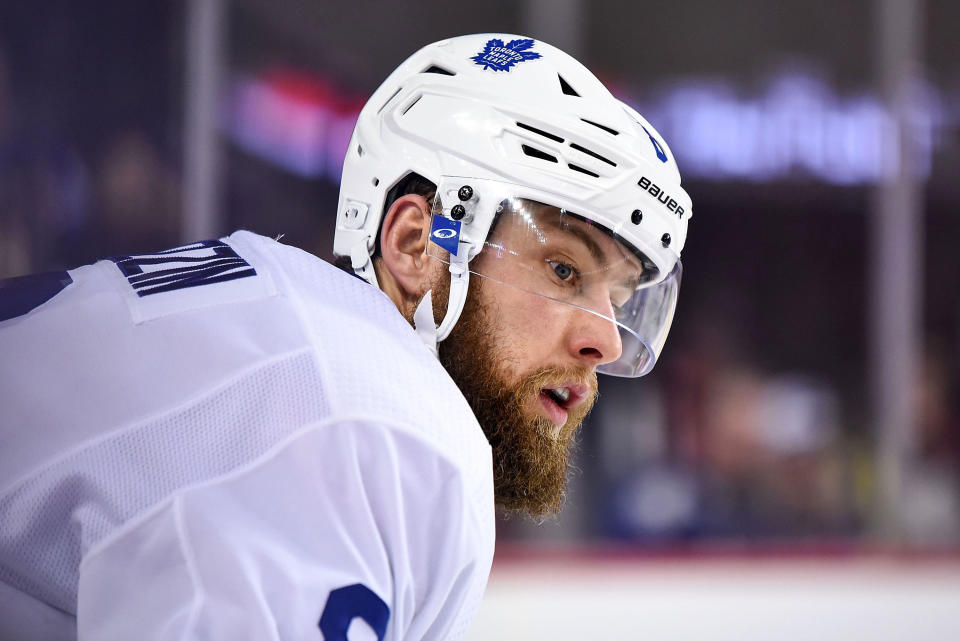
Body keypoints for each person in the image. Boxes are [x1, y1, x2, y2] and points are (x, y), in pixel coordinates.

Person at [0, 34, 692, 641]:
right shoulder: (375, 419)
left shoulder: (297, 331)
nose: (604, 336)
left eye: (621, 298)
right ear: (417, 244)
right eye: (564, 269)